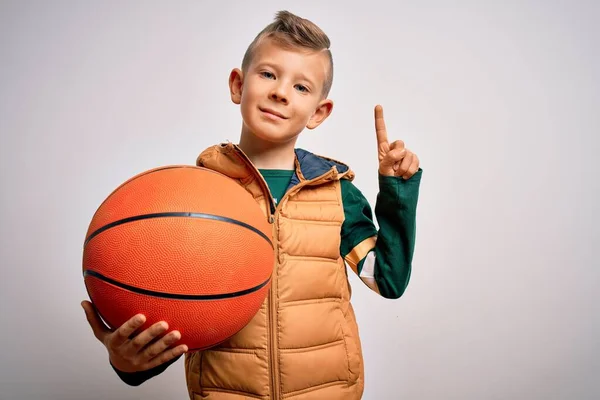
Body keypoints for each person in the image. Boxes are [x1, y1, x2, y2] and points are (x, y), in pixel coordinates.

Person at [81, 10, 422, 400]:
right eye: (268, 75)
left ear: (319, 112)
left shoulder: (336, 193)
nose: (280, 92)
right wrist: (129, 365)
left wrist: (397, 192)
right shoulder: (195, 196)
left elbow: (387, 280)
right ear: (237, 85)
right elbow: (177, 306)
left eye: (301, 87)